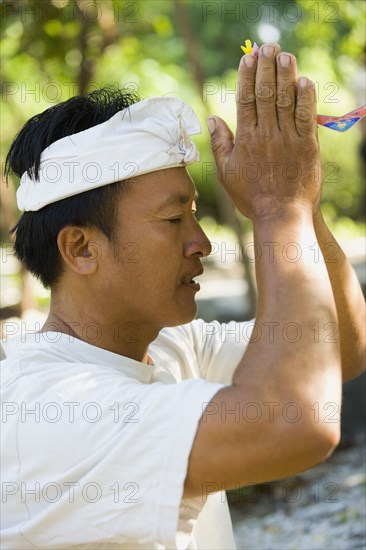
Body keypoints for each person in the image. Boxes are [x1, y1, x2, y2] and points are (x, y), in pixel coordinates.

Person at [1, 43, 365, 550]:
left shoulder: (171, 344)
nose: (201, 242)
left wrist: (299, 203)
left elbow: (340, 347)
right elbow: (295, 422)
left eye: (194, 213)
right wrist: (278, 207)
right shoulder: (48, 408)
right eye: (173, 220)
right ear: (81, 248)